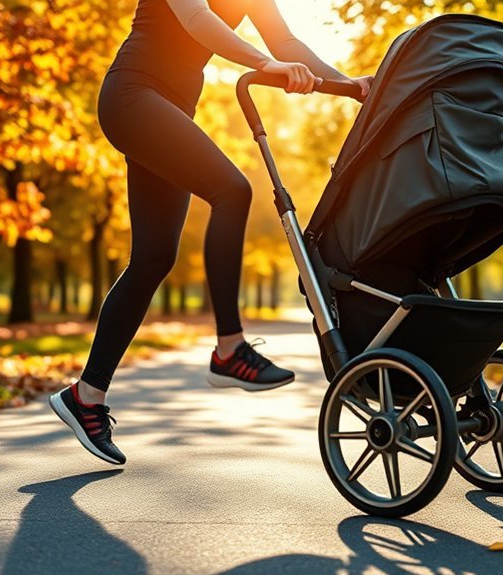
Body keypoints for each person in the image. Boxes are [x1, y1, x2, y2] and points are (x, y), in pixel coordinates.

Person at [48, 0, 374, 465]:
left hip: (171, 108)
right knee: (232, 190)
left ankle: (85, 397)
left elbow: (287, 43)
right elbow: (198, 20)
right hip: (133, 95)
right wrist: (265, 64)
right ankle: (228, 349)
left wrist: (349, 87)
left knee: (154, 258)